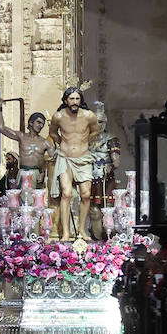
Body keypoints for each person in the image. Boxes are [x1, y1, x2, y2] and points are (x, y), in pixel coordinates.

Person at [49, 87, 102, 241]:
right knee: (66, 193)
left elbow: (95, 131)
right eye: (71, 99)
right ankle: (65, 232)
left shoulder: (89, 115)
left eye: (77, 99)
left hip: (83, 157)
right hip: (65, 157)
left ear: (81, 100)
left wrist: (85, 141)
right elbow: (53, 132)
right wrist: (62, 143)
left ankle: (81, 230)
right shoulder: (58, 116)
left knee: (86, 194)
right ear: (66, 100)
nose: (74, 102)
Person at [0, 100, 54, 190]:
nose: (41, 126)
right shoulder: (21, 137)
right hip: (22, 173)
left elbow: (53, 161)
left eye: (42, 124)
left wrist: (43, 173)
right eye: (38, 122)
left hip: (37, 175)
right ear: (31, 123)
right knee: (22, 200)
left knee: (36, 201)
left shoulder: (45, 143)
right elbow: (1, 128)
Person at [88, 101, 121, 239]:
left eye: (101, 122)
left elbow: (116, 161)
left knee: (107, 209)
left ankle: (108, 237)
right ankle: (96, 237)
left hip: (106, 178)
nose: (99, 125)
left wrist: (111, 166)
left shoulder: (111, 139)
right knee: (93, 210)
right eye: (96, 122)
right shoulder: (87, 139)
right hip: (91, 176)